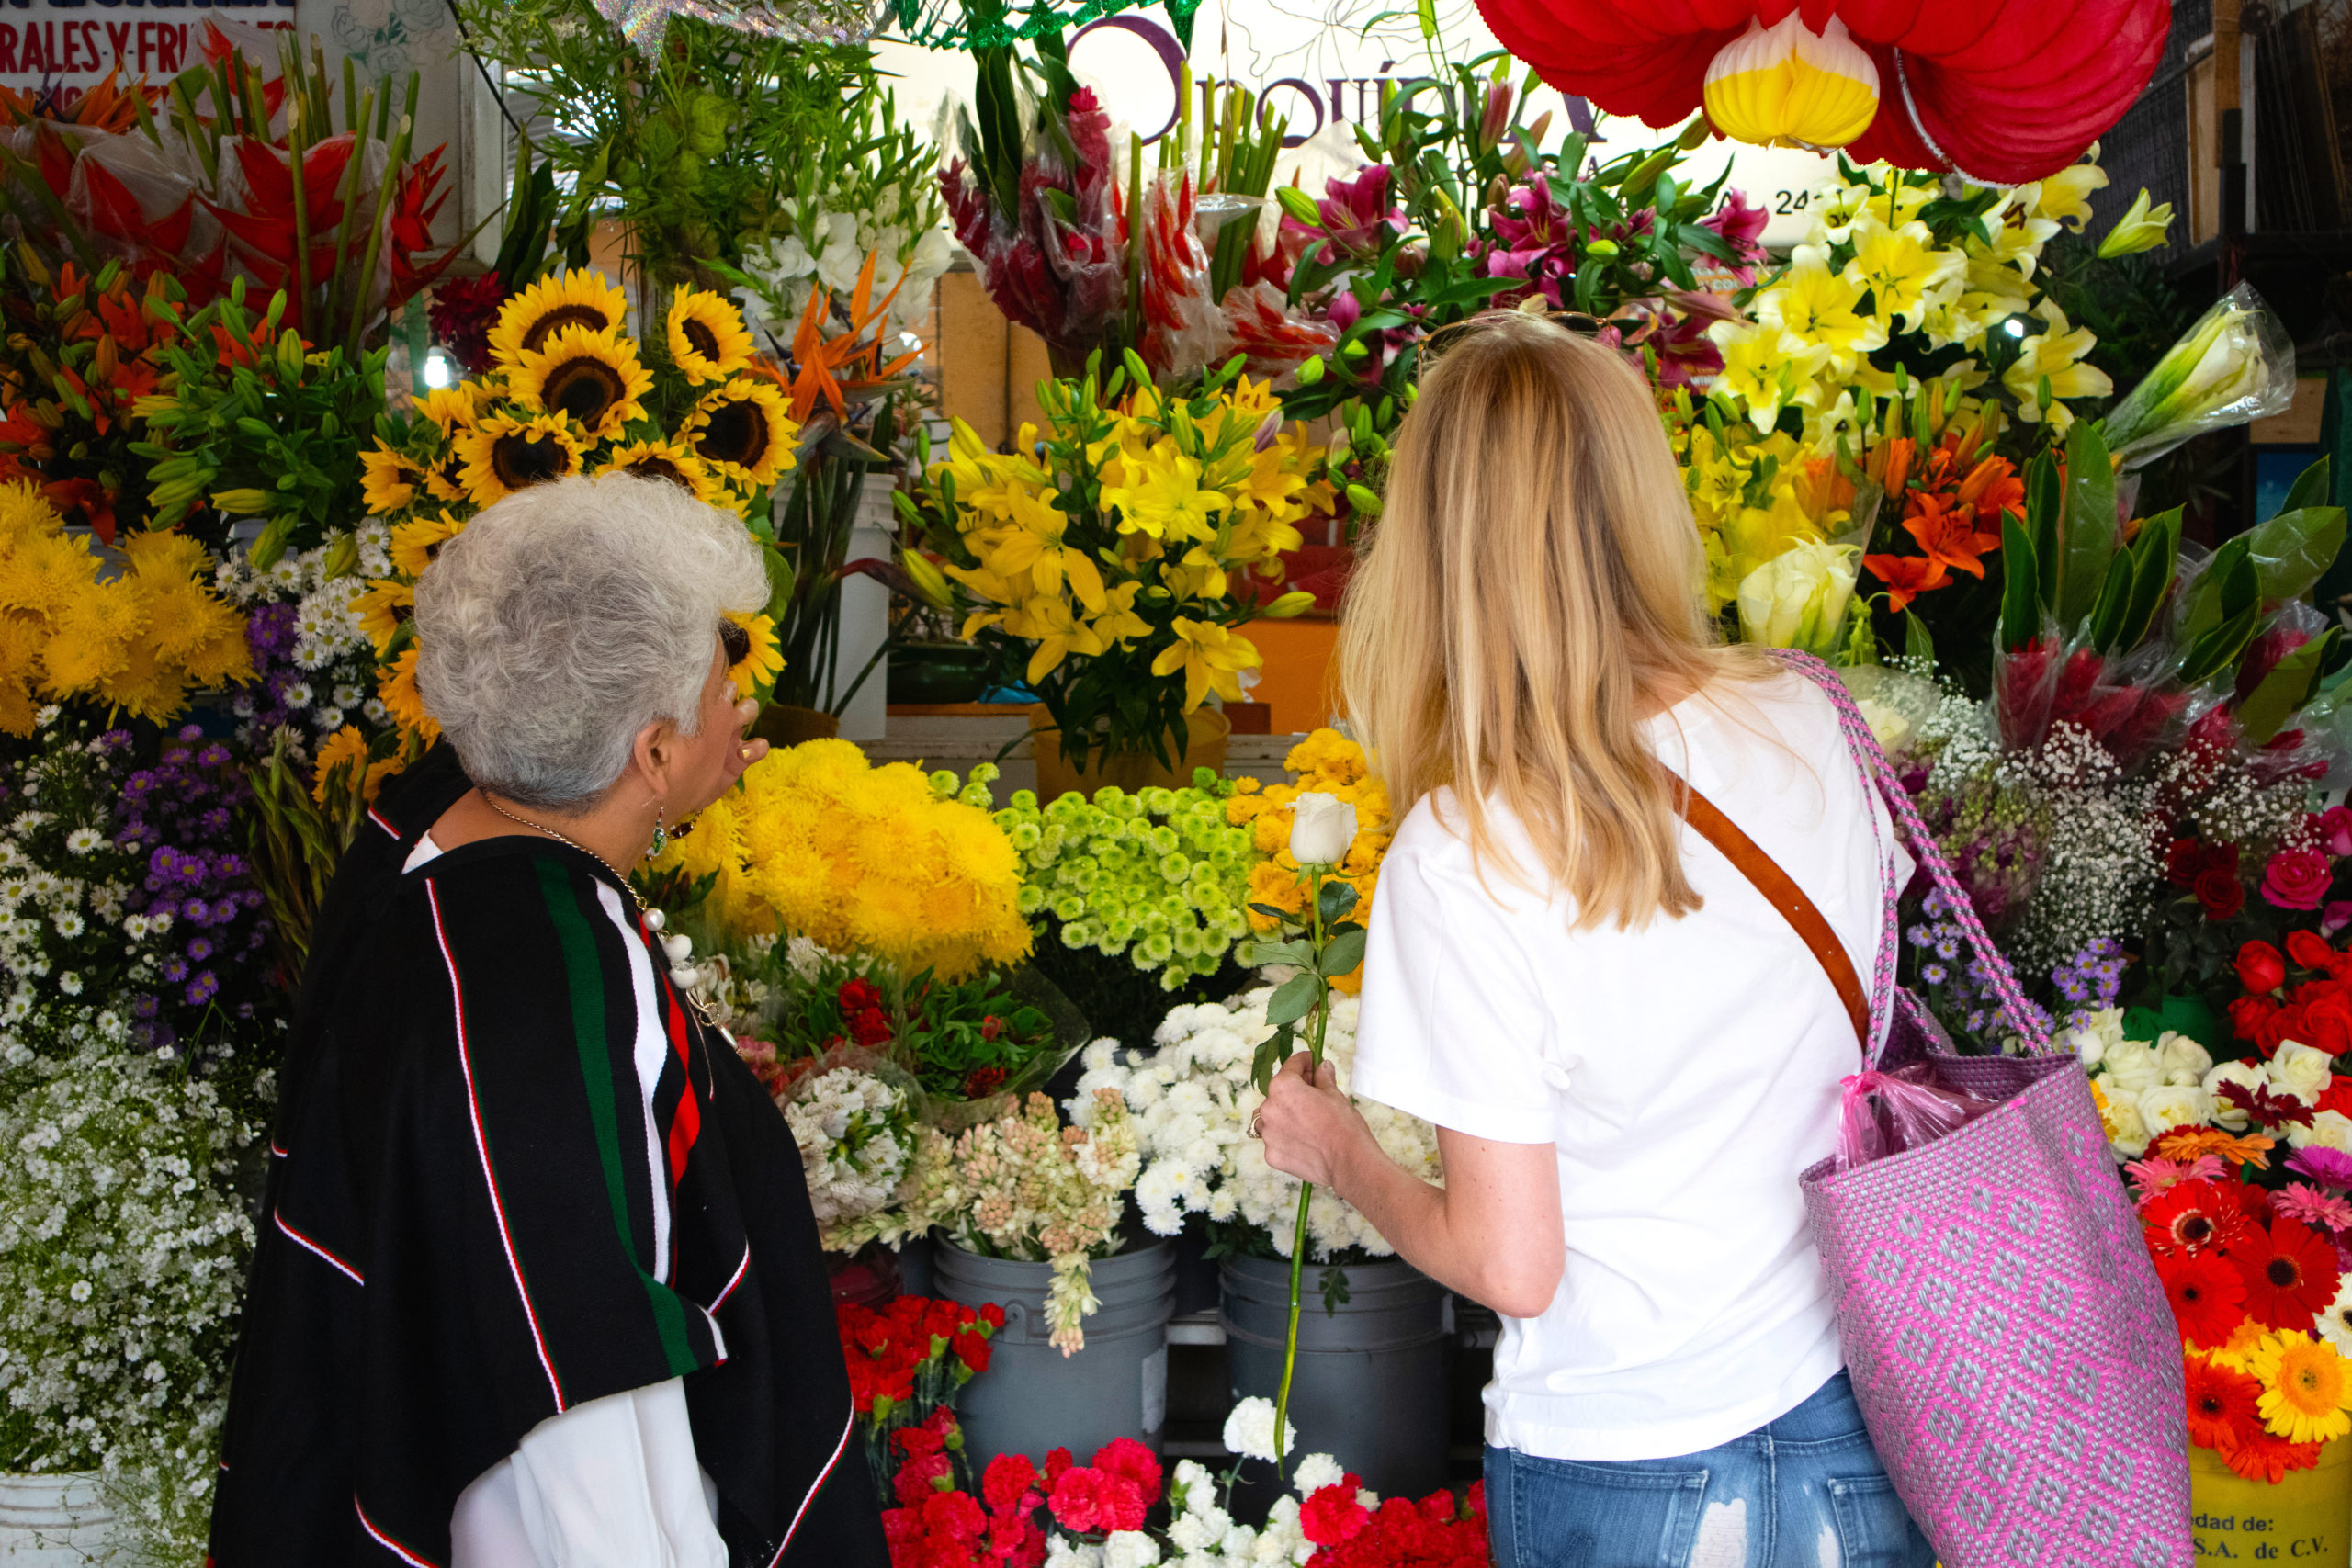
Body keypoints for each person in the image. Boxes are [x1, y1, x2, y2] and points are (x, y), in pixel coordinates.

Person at [1253, 313, 1934, 1568]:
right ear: (1638, 496)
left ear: (1437, 546)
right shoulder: (1810, 717)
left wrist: (1342, 1152)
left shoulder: (1470, 846)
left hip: (1628, 1460)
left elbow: (1513, 1263)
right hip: (1853, 1432)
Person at [209, 473, 887, 1568]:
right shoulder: (550, 986)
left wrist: (667, 787)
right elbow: (585, 1396)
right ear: (649, 751)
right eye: (723, 683)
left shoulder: (426, 821)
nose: (740, 707)